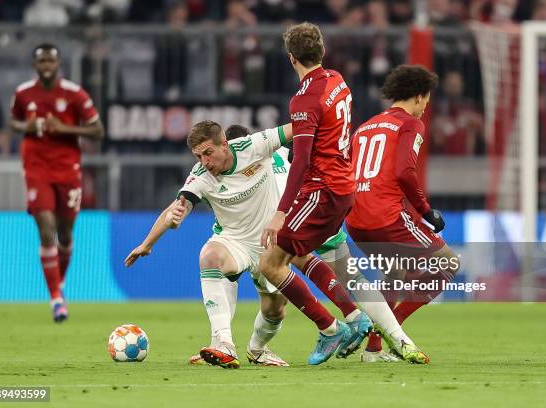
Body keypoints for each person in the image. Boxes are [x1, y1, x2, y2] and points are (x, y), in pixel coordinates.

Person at [226, 125, 429, 364]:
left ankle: (336, 325)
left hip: (293, 218)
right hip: (323, 205)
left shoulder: (233, 173)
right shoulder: (278, 149)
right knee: (351, 278)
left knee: (276, 278)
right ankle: (400, 340)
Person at [125, 121, 300, 369]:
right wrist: (148, 243)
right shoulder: (201, 175)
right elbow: (178, 207)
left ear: (225, 145)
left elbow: (299, 126)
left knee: (276, 310)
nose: (205, 161)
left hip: (269, 244)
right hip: (234, 241)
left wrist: (321, 113)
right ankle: (223, 344)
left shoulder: (255, 146)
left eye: (208, 153)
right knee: (209, 255)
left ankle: (258, 349)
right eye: (198, 156)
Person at [257, 22, 376, 366]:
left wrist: (281, 211)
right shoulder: (338, 81)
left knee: (269, 262)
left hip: (321, 189)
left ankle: (329, 328)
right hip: (343, 189)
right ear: (321, 52)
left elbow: (303, 159)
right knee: (297, 256)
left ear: (291, 58)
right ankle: (355, 318)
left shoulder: (304, 98)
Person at [345, 64, 460, 357]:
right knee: (448, 264)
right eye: (427, 100)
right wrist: (425, 210)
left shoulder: (365, 127)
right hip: (385, 215)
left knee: (396, 272)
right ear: (419, 96)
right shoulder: (410, 123)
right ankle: (392, 328)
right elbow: (405, 172)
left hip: (355, 218)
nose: (426, 107)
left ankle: (373, 349)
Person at [10, 43, 104, 322]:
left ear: (58, 64)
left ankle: (58, 286)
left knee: (65, 232)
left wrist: (65, 129)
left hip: (67, 168)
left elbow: (98, 130)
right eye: (42, 61)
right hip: (36, 165)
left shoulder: (75, 94)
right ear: (35, 65)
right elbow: (13, 122)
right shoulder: (23, 93)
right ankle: (55, 299)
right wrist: (25, 127)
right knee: (46, 228)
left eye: (51, 60)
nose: (47, 65)